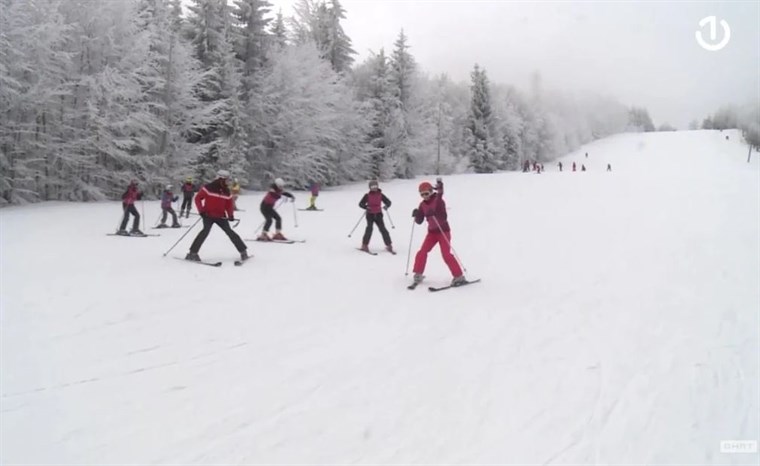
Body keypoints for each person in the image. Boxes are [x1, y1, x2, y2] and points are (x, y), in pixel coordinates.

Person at [411, 178, 466, 286]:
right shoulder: (422, 204)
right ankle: (418, 273)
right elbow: (419, 221)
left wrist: (440, 189)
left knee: (446, 254)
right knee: (422, 252)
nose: (425, 196)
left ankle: (459, 276)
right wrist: (416, 214)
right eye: (422, 194)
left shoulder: (438, 200)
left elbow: (443, 217)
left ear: (431, 191)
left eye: (426, 193)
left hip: (443, 231)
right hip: (431, 233)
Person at [185, 170, 248, 262]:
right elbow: (198, 198)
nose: (228, 182)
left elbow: (229, 204)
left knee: (230, 232)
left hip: (221, 217)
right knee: (205, 232)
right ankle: (192, 253)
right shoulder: (208, 188)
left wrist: (230, 215)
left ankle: (243, 251)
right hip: (208, 216)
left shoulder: (226, 191)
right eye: (226, 180)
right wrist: (201, 211)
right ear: (220, 179)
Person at [358, 179, 394, 253]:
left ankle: (389, 245)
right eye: (372, 186)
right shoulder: (367, 195)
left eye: (375, 186)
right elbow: (361, 204)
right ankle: (364, 245)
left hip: (378, 214)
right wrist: (366, 207)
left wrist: (386, 206)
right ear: (370, 188)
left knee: (383, 229)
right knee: (369, 229)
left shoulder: (381, 194)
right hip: (370, 214)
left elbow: (388, 202)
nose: (374, 188)